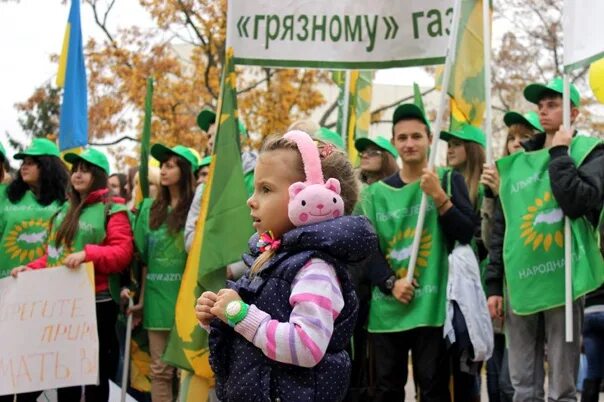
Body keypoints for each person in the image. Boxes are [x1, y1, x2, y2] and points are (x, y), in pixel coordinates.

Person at [196, 130, 377, 401]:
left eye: (266, 189)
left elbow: (306, 346)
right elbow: (258, 334)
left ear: (316, 200)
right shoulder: (273, 257)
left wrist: (238, 313)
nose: (251, 199)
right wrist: (220, 318)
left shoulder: (315, 269)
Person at [486, 77, 604, 401]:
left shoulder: (591, 151)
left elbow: (578, 201)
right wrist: (494, 284)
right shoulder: (517, 162)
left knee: (563, 388)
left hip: (564, 282)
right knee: (523, 386)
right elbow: (503, 227)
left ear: (574, 113)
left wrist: (561, 153)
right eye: (540, 106)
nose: (543, 111)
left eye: (552, 105)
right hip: (521, 284)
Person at [356, 103, 478, 401]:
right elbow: (364, 249)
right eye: (402, 137)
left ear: (429, 139)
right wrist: (390, 283)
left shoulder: (448, 181)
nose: (410, 143)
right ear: (394, 142)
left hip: (432, 309)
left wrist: (439, 197)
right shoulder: (374, 194)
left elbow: (466, 232)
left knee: (434, 389)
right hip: (388, 310)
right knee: (387, 391)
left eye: (417, 136)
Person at [11, 147, 133, 402]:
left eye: (85, 170)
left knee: (95, 378)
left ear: (98, 176)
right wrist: (30, 269)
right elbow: (54, 255)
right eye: (75, 170)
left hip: (97, 306)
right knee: (64, 375)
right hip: (60, 308)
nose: (77, 175)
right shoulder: (64, 211)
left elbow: (122, 253)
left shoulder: (113, 211)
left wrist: (88, 254)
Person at [480, 111, 542, 402]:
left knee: (519, 380)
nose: (515, 144)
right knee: (501, 378)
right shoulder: (498, 180)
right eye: (511, 138)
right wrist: (493, 195)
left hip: (538, 285)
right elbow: (491, 239)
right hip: (505, 287)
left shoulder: (540, 178)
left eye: (525, 137)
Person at [132, 144, 197, 402]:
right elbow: (144, 260)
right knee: (160, 371)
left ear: (185, 170)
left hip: (187, 300)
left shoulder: (197, 210)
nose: (164, 171)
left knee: (187, 371)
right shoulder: (149, 209)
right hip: (156, 301)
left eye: (171, 165)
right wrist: (140, 299)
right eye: (163, 166)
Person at [0, 138, 69, 279]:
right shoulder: (5, 195)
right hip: (6, 282)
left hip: (46, 283)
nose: (24, 167)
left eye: (30, 163)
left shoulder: (66, 202)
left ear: (48, 166)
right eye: (23, 163)